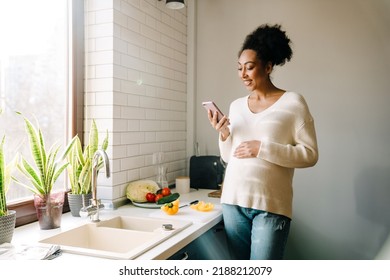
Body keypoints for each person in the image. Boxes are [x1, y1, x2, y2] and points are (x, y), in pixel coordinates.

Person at [207, 24, 319, 260]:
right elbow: (229, 157)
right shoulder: (236, 106)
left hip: (272, 206)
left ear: (268, 67)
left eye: (249, 67)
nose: (243, 74)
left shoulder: (293, 103)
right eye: (239, 68)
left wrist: (262, 148)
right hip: (233, 201)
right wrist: (224, 135)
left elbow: (310, 154)